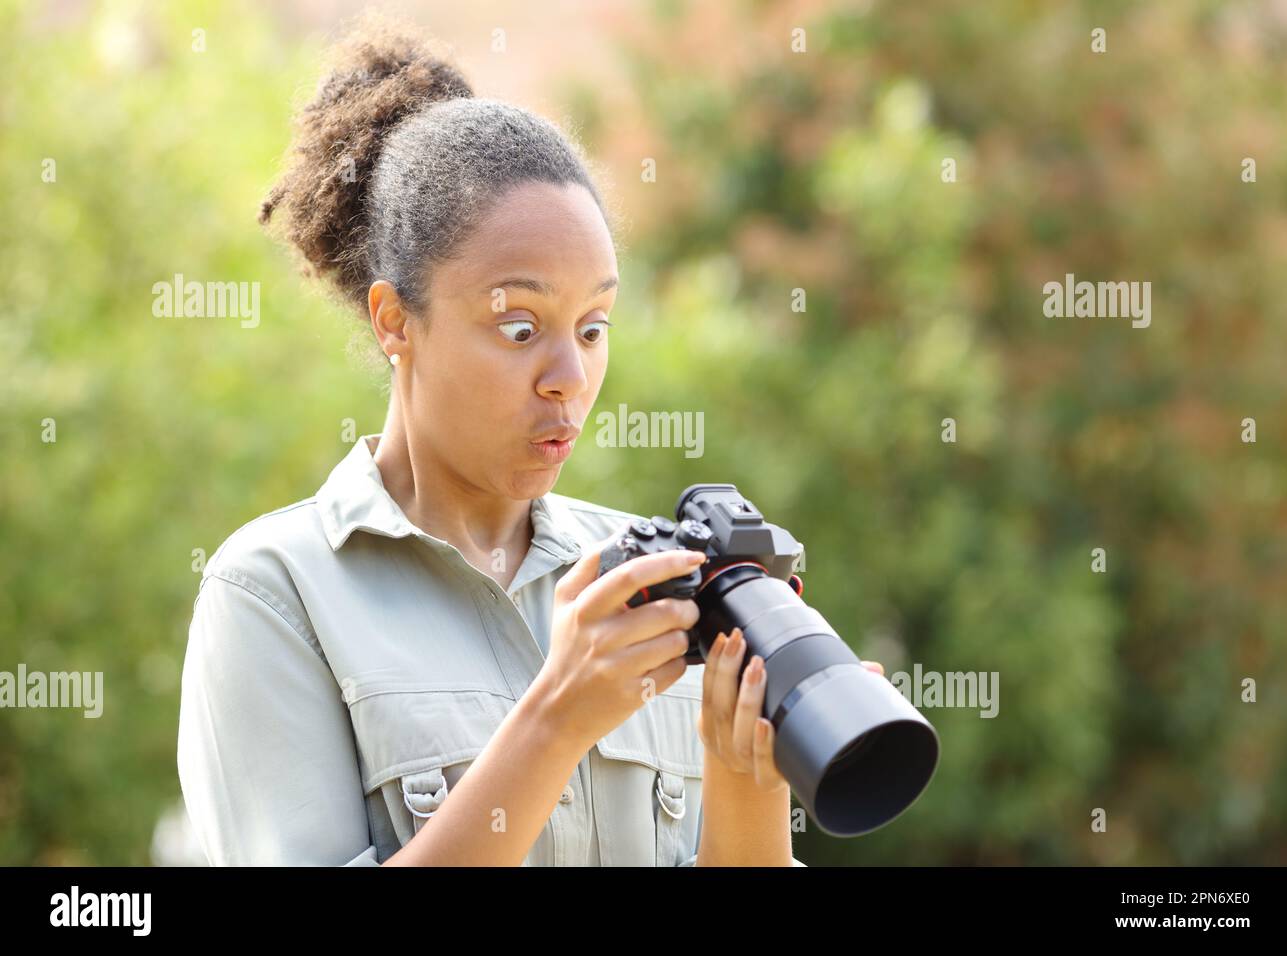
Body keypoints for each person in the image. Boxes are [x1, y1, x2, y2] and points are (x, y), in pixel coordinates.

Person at [177, 16, 878, 866]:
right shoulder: (275, 594)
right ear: (396, 320)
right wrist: (557, 718)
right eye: (519, 327)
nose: (569, 378)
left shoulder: (636, 585)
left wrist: (745, 779)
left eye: (592, 328)